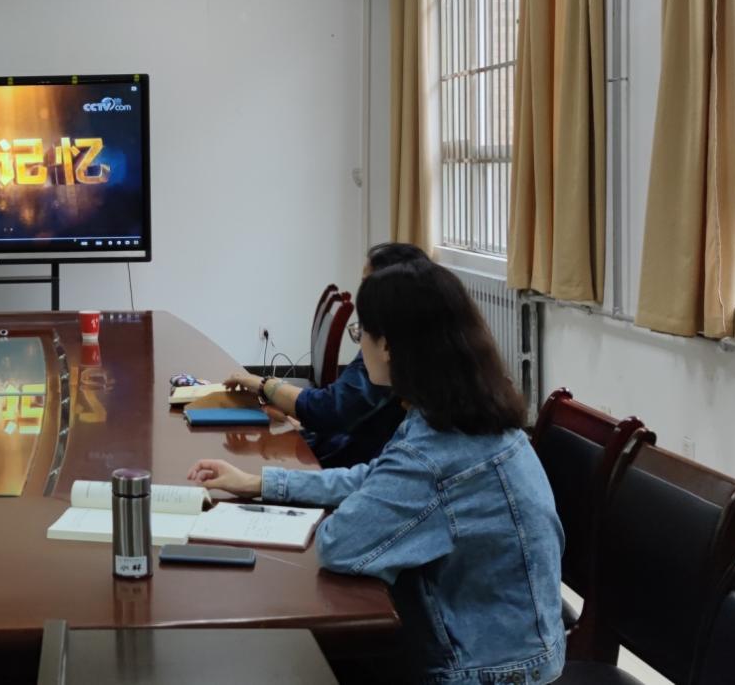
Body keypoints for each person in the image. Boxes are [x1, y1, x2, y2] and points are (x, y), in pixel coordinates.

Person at [188, 253, 564, 684]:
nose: (359, 344)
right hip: (512, 645)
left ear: (387, 345)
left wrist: (334, 508)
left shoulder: (435, 452)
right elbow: (377, 477)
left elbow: (339, 544)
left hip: (483, 671)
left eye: (360, 331)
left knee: (278, 660)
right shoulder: (468, 415)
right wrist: (261, 483)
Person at [224, 242, 429, 468]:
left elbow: (331, 410)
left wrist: (265, 386)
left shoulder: (391, 357)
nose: (362, 295)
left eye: (366, 284)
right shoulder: (404, 345)